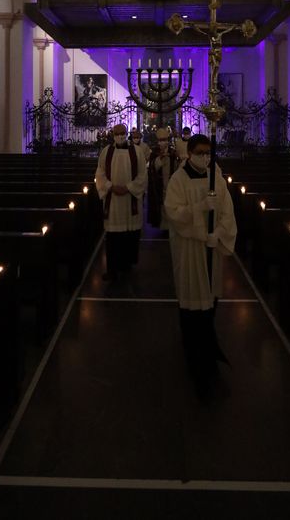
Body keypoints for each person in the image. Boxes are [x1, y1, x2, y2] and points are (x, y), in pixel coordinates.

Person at [164, 133, 237, 394]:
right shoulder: (178, 179)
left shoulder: (216, 177)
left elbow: (227, 211)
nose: (204, 157)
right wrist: (200, 209)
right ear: (190, 153)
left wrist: (218, 234)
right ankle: (193, 352)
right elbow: (173, 213)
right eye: (200, 153)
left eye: (208, 153)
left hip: (211, 248)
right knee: (192, 304)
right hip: (190, 249)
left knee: (209, 301)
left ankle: (208, 348)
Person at [95, 123, 147, 281]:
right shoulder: (106, 152)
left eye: (123, 133)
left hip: (130, 199)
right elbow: (100, 173)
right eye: (117, 133)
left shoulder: (137, 151)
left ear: (127, 133)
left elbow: (142, 175)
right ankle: (112, 269)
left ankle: (127, 266)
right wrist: (110, 187)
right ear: (113, 135)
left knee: (130, 236)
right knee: (113, 238)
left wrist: (128, 188)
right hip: (113, 201)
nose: (120, 136)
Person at [147, 126, 177, 232]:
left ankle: (171, 226)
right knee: (161, 205)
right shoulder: (154, 153)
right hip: (159, 184)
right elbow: (152, 168)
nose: (162, 142)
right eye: (160, 140)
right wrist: (159, 159)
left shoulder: (173, 153)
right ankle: (163, 226)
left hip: (171, 183)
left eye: (164, 140)